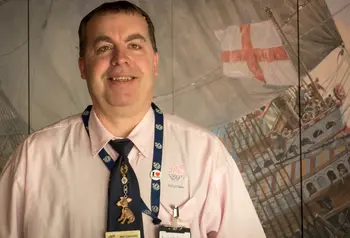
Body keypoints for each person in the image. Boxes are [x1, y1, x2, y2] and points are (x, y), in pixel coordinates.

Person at [0, 1, 265, 238]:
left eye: (134, 45)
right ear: (83, 66)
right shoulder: (33, 160)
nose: (120, 59)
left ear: (155, 62)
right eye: (104, 48)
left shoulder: (205, 155)